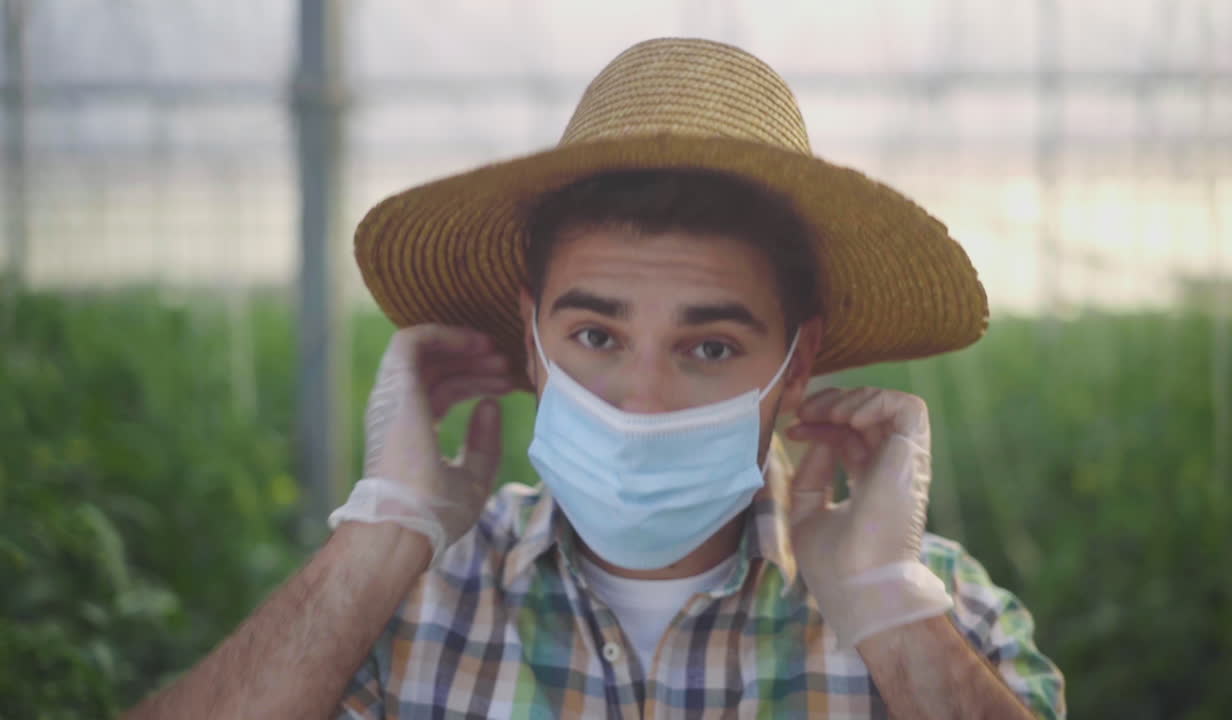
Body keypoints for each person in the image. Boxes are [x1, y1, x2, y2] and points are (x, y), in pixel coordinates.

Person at [127, 37, 1065, 719]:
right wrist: (382, 532)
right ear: (532, 344)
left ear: (797, 366)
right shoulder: (402, 601)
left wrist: (887, 607)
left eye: (709, 348)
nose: (641, 400)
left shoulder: (941, 610)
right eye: (595, 335)